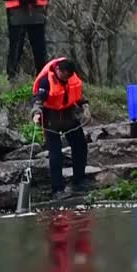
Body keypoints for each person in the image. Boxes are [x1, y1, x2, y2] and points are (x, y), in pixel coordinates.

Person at [31, 57, 90, 200]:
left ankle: (79, 181)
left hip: (68, 114)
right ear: (58, 70)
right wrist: (36, 114)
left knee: (80, 146)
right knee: (55, 154)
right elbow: (38, 100)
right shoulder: (46, 81)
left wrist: (85, 107)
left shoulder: (71, 78)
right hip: (51, 117)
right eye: (64, 75)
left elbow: (77, 95)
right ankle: (58, 189)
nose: (66, 78)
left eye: (69, 76)